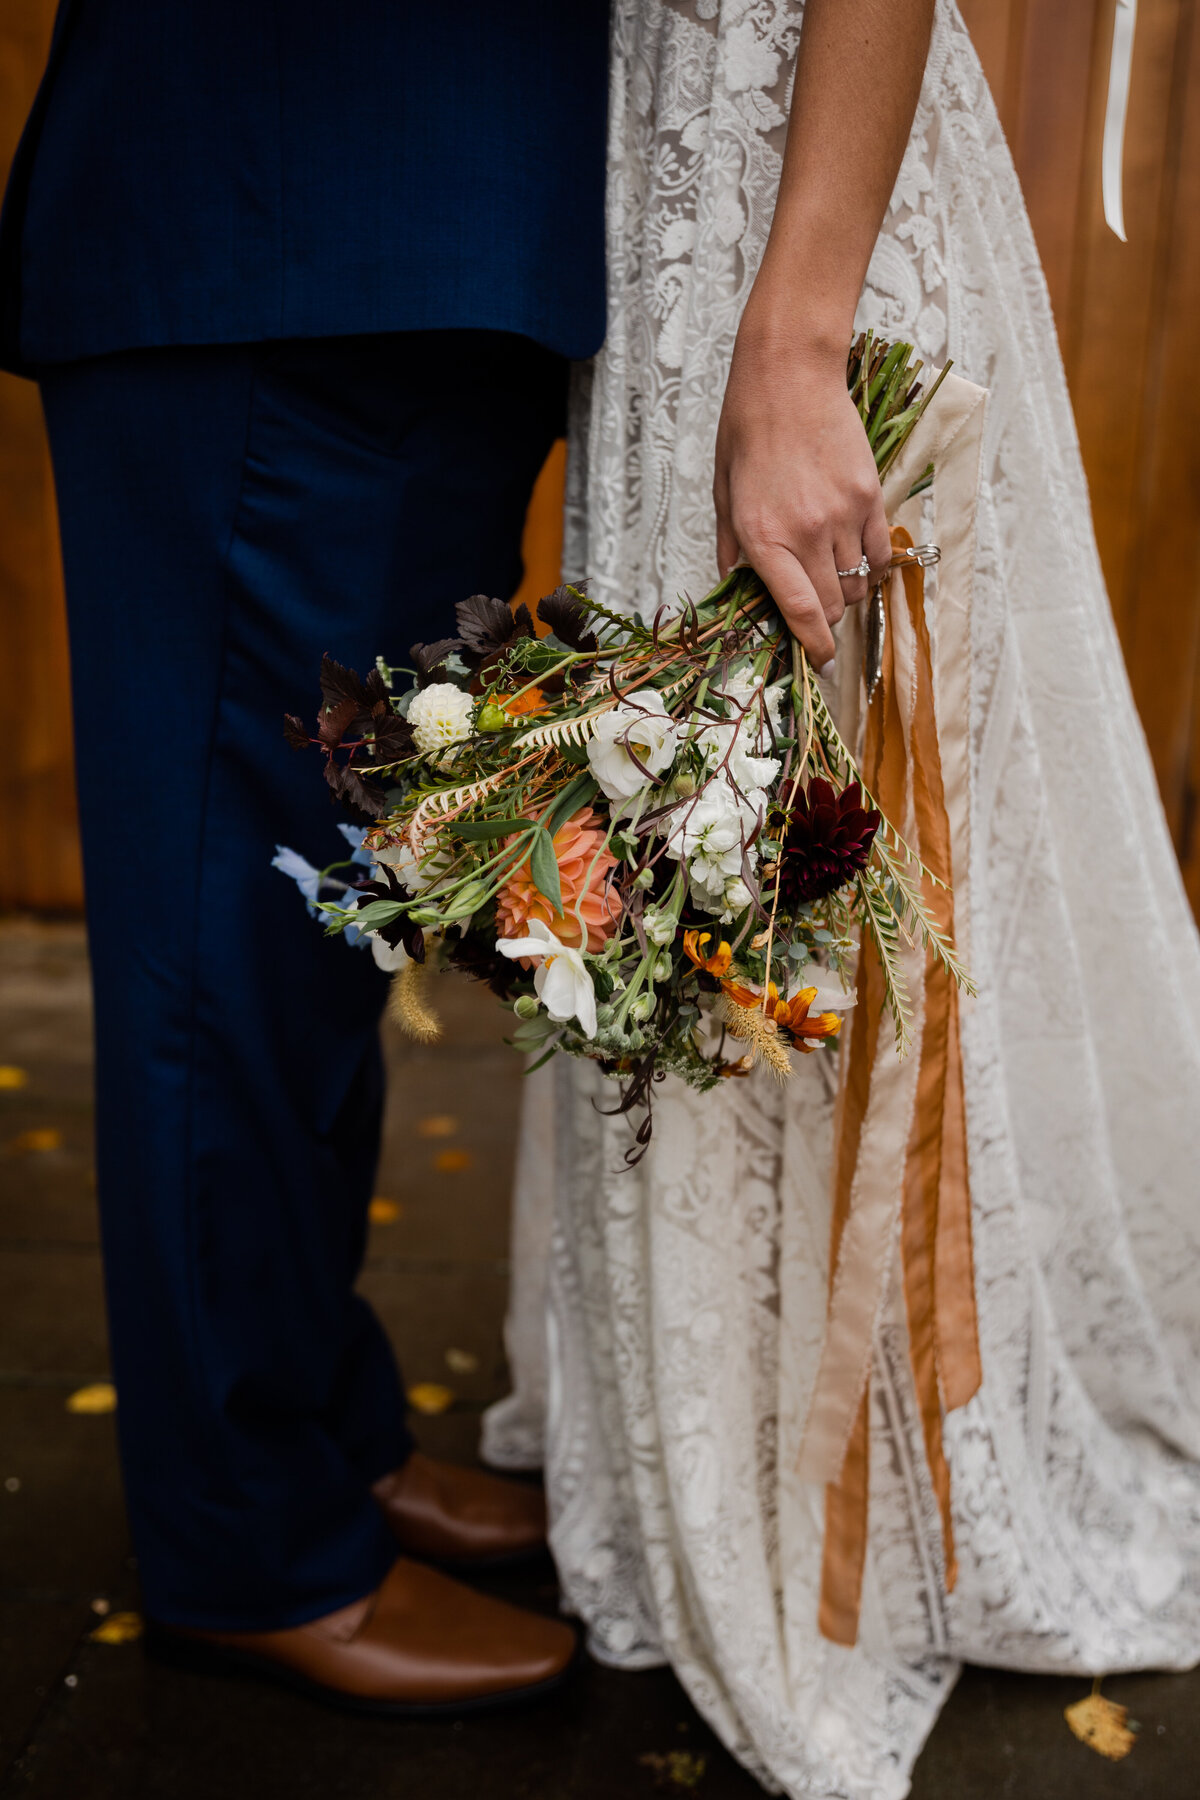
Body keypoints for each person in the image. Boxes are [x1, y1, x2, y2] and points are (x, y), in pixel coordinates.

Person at [486, 1, 1200, 1792]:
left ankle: (868, 1489)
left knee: (838, 846)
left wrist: (800, 336)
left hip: (785, 211)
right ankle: (693, 1438)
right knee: (700, 846)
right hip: (657, 202)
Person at [0, 0, 610, 1714]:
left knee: (328, 945)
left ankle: (322, 1437)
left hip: (408, 245)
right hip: (277, 218)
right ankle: (246, 1542)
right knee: (230, 942)